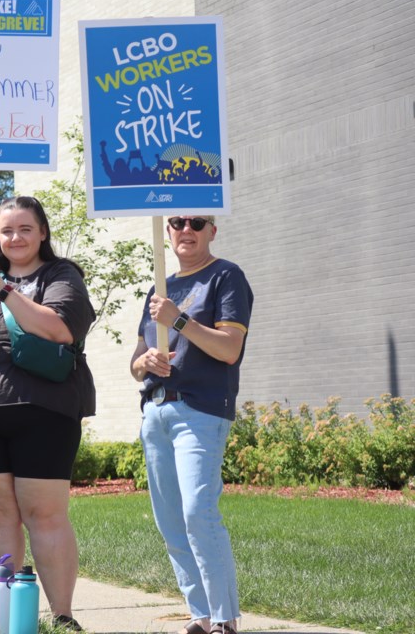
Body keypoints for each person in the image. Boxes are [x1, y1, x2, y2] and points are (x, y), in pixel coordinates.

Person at [0, 196, 95, 631]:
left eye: (25, 229)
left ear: (42, 232)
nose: (15, 237)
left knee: (44, 514)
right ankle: (5, 614)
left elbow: (60, 328)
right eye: (6, 230)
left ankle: (62, 615)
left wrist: (6, 292)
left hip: (44, 411)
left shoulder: (60, 275)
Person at [129, 215, 253, 634]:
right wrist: (143, 362)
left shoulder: (226, 277)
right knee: (170, 521)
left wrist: (178, 320)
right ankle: (200, 615)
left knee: (198, 512)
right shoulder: (159, 288)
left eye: (197, 222)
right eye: (178, 222)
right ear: (167, 232)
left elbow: (230, 349)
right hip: (156, 412)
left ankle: (224, 619)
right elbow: (136, 359)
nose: (187, 229)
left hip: (199, 412)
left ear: (212, 231)